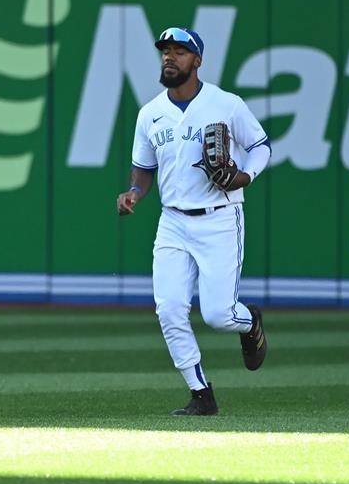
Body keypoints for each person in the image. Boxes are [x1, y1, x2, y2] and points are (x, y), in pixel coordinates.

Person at [116, 27, 271, 416]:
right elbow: (143, 169)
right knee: (168, 309)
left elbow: (260, 146)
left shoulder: (226, 104)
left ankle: (249, 319)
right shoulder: (150, 113)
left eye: (180, 51)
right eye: (166, 51)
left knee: (219, 315)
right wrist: (134, 193)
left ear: (197, 61)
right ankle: (201, 393)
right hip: (172, 222)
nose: (170, 57)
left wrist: (245, 176)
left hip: (220, 218)